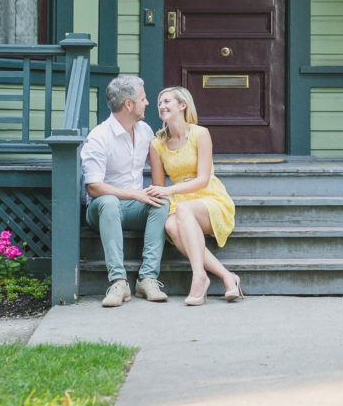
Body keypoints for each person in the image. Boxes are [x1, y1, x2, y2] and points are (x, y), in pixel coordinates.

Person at [149, 86, 243, 306]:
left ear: (183, 105)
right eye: (159, 103)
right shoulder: (157, 145)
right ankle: (227, 277)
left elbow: (202, 178)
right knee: (171, 227)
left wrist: (170, 191)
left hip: (208, 196)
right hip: (178, 201)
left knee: (184, 211)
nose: (162, 106)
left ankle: (198, 276)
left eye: (167, 101)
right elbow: (158, 187)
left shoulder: (200, 134)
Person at [81, 74, 169, 307]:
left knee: (161, 203)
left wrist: (155, 193)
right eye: (143, 98)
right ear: (128, 105)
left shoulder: (145, 131)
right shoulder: (99, 137)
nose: (147, 103)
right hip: (102, 209)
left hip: (132, 208)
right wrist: (136, 194)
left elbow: (159, 171)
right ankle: (119, 282)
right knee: (109, 202)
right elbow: (93, 187)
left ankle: (147, 279)